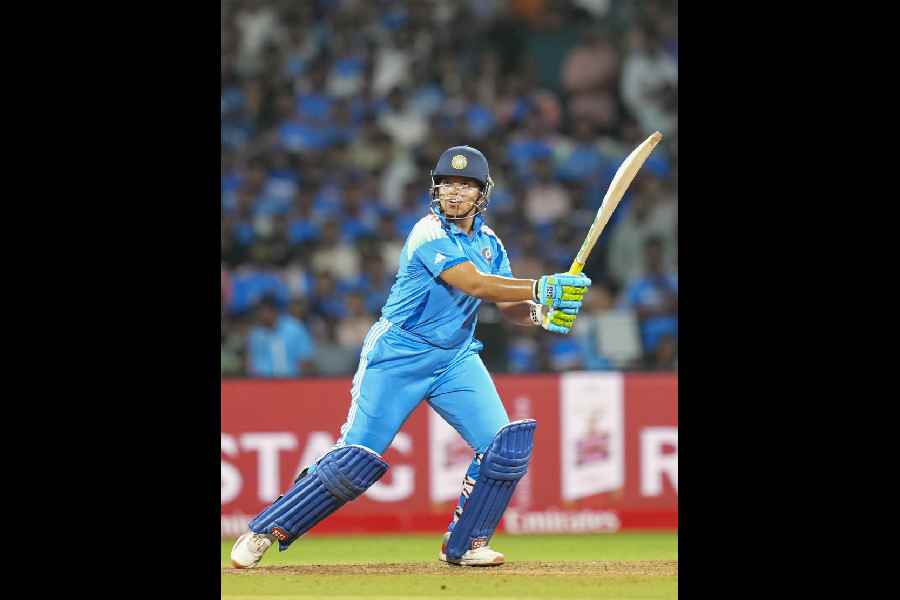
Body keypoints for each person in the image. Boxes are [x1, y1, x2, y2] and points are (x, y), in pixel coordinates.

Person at [230, 145, 592, 568]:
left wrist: (541, 313)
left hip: (455, 358)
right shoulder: (428, 233)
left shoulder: (490, 243)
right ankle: (265, 530)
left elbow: (507, 304)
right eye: (447, 184)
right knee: (354, 463)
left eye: (466, 185)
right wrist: (543, 287)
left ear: (483, 194)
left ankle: (466, 545)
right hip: (398, 356)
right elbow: (474, 284)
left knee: (503, 448)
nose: (454, 193)